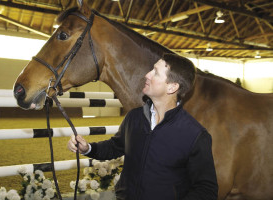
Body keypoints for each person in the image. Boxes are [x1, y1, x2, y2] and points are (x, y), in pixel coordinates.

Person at [68, 53, 218, 199]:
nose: (147, 75)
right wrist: (88, 148)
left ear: (172, 87)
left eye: (156, 73)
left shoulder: (195, 134)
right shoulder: (135, 117)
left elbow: (206, 189)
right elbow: (116, 146)